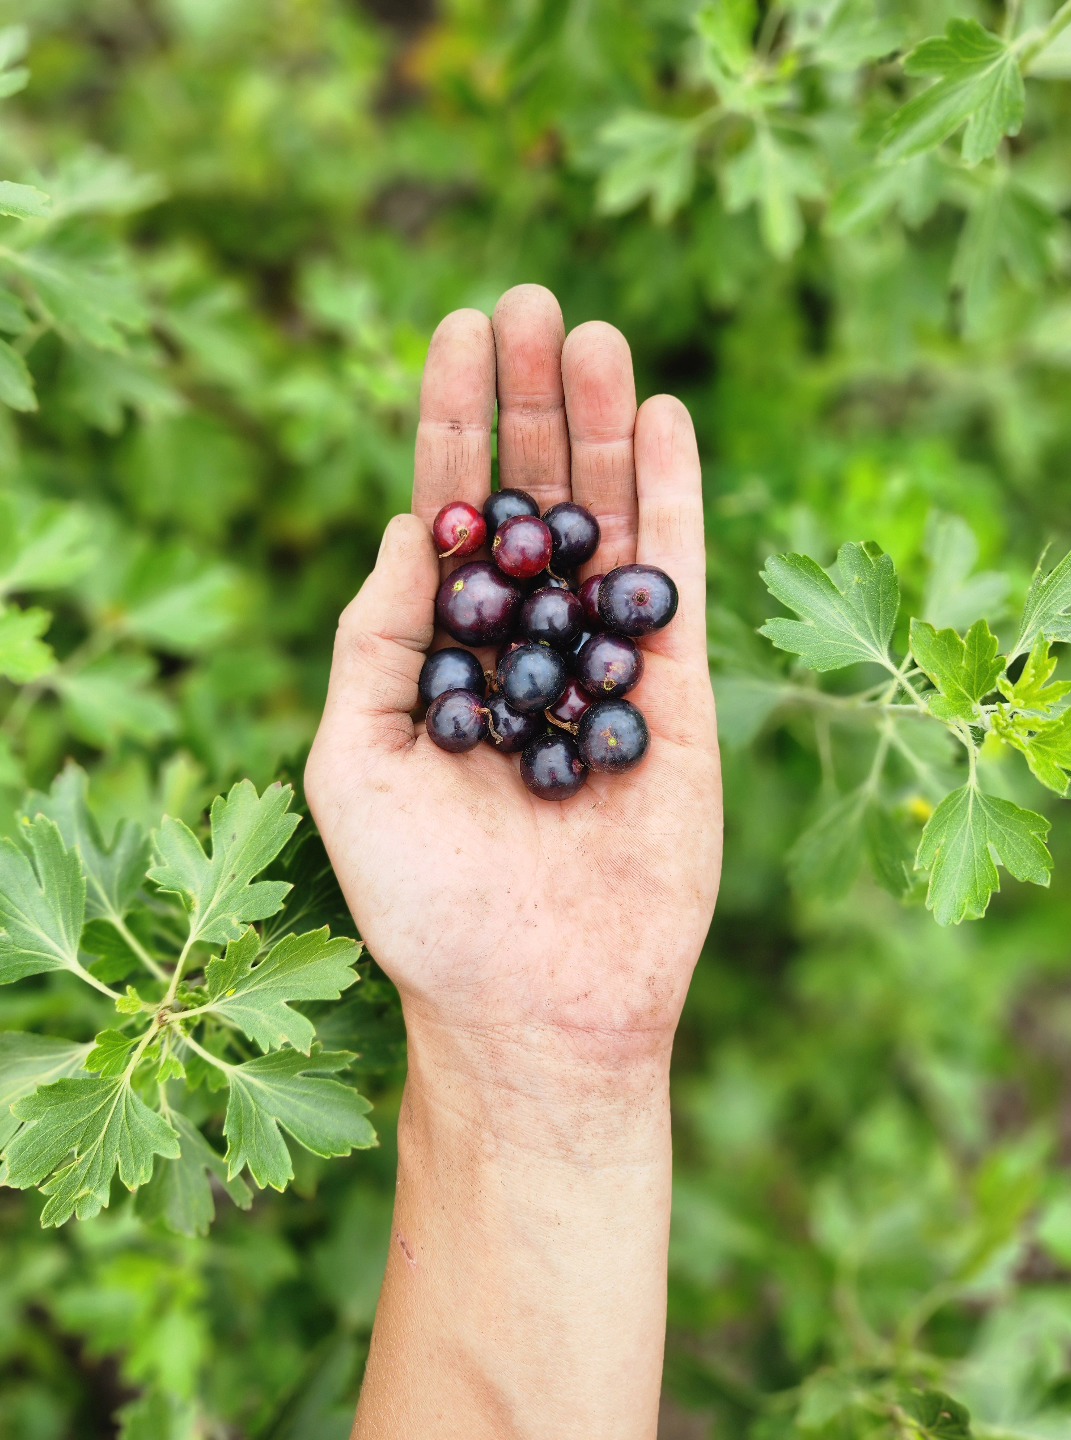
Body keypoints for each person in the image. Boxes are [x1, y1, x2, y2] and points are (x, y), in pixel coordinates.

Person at [305, 283, 724, 1439]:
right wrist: (531, 1080)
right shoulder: (527, 648)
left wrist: (548, 1087)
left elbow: (586, 644)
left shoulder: (558, 652)